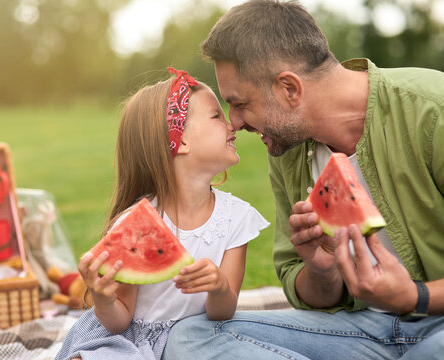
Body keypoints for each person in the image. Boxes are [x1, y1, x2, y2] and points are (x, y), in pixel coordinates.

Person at [162, 1, 444, 359]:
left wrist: (414, 297)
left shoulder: (432, 110)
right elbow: (309, 291)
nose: (234, 123)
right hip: (362, 331)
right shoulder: (288, 149)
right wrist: (321, 270)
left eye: (240, 103)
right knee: (191, 337)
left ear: (289, 89)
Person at [55, 67, 269, 360]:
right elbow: (121, 320)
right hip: (127, 342)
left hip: (194, 340)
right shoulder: (138, 224)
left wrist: (219, 287)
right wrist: (104, 302)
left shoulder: (236, 218)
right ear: (180, 141)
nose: (232, 124)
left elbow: (224, 311)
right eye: (216, 116)